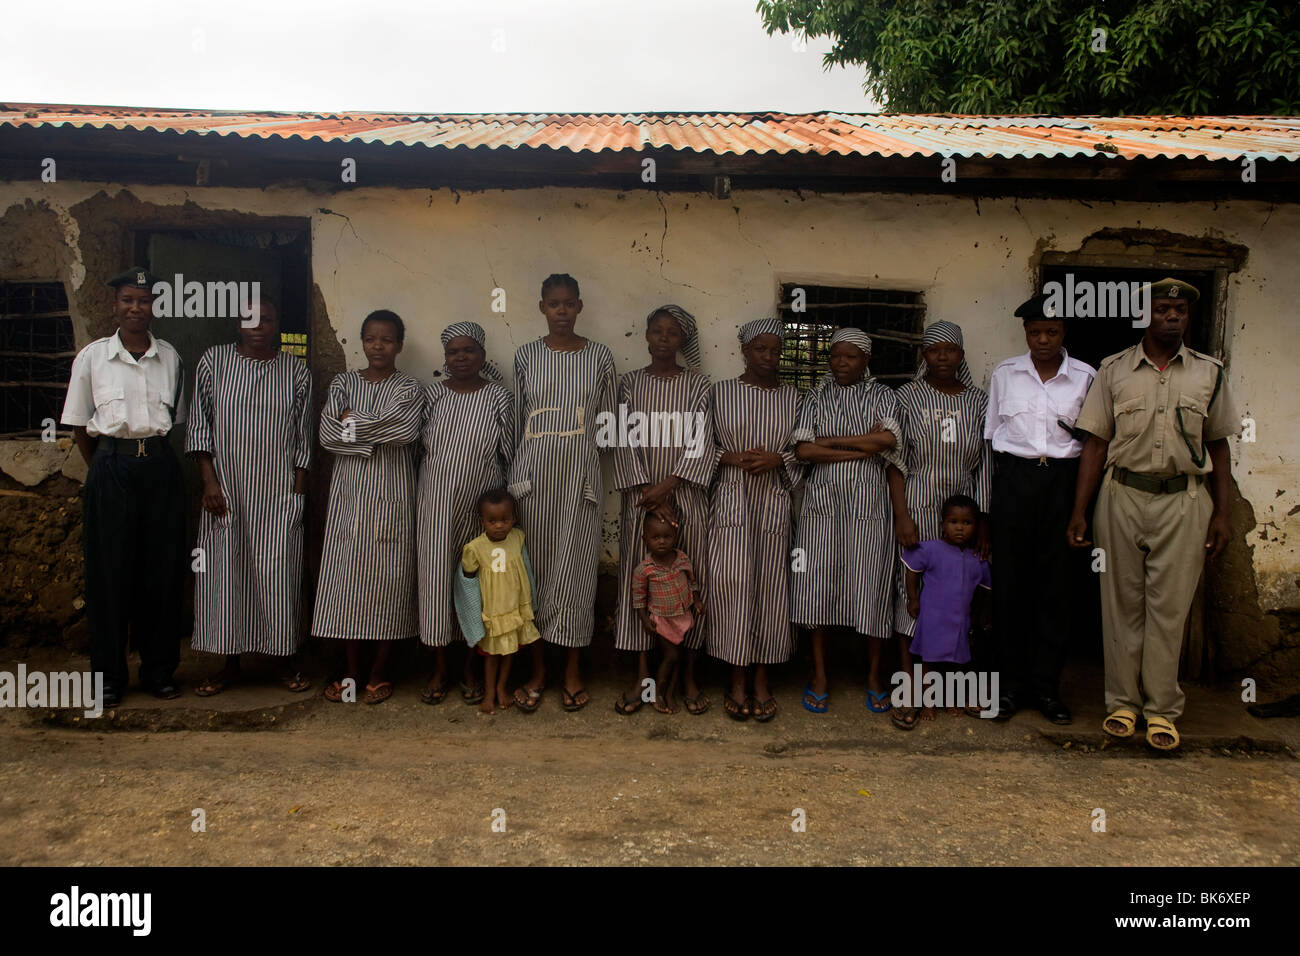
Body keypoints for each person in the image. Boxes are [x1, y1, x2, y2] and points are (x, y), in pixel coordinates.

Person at [1067, 278, 1238, 752]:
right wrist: (1080, 511)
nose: (1172, 316)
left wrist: (1223, 515)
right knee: (1120, 605)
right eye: (1163, 308)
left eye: (1180, 310)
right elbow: (1095, 443)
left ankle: (1162, 711)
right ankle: (1122, 704)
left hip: (1184, 500)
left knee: (1170, 609)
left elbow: (1219, 446)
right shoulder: (1114, 370)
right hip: (1121, 496)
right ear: (1145, 315)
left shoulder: (1209, 373)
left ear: (1189, 317)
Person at [61, 266, 187, 707]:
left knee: (162, 573)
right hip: (111, 465)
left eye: (145, 300)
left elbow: (176, 423)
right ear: (114, 305)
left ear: (156, 306)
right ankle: (109, 677)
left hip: (158, 466)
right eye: (128, 300)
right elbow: (79, 426)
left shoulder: (170, 357)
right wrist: (104, 469)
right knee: (109, 575)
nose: (136, 308)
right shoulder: (93, 358)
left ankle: (158, 671)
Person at [187, 296, 314, 695]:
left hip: (277, 490)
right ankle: (229, 662)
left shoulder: (295, 370)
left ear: (277, 324)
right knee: (226, 571)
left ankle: (283, 660)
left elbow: (303, 438)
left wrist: (297, 492)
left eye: (267, 319)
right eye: (250, 318)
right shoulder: (215, 362)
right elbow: (200, 425)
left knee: (280, 573)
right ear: (238, 323)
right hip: (226, 490)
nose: (258, 325)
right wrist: (209, 483)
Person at [984, 294, 1096, 724]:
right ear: (1025, 333)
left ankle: (1048, 689)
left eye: (1052, 331)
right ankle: (1010, 687)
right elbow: (993, 435)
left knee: (1057, 587)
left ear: (1064, 332)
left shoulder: (1086, 376)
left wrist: (1080, 507)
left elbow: (1092, 443)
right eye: (1035, 332)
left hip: (1064, 484)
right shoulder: (1006, 374)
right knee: (1011, 585)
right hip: (1015, 480)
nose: (1043, 339)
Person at [507, 274, 617, 713]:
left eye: (569, 304)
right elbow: (518, 420)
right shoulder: (526, 356)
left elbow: (607, 425)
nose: (561, 311)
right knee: (532, 572)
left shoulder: (600, 357)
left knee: (576, 573)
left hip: (580, 481)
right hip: (534, 480)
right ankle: (537, 671)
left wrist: (580, 452)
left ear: (579, 306)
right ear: (541, 307)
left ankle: (572, 670)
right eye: (554, 304)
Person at [791, 328, 904, 714]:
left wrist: (833, 442)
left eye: (850, 356)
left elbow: (889, 442)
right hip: (822, 506)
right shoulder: (815, 396)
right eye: (835, 356)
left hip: (870, 506)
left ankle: (874, 676)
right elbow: (804, 450)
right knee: (816, 584)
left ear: (866, 360)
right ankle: (820, 674)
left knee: (870, 584)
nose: (841, 363)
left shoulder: (883, 396)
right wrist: (861, 446)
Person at [314, 310, 423, 706]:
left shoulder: (409, 388)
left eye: (388, 340)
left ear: (399, 345)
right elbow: (327, 432)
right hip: (349, 498)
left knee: (387, 584)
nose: (379, 347)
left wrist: (354, 421)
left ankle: (379, 670)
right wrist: (376, 426)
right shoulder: (343, 382)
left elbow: (406, 429)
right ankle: (349, 671)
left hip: (393, 495)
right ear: (360, 341)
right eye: (371, 339)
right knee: (346, 584)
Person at [886, 321, 991, 730]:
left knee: (956, 603)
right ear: (923, 357)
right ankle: (910, 691)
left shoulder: (979, 401)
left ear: (962, 357)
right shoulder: (907, 396)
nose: (943, 357)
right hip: (919, 504)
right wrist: (903, 514)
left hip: (963, 511)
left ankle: (950, 692)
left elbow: (985, 464)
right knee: (910, 596)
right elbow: (896, 461)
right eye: (934, 350)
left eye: (951, 351)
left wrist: (982, 522)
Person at [612, 305, 714, 716]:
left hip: (686, 496)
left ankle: (688, 675)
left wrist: (669, 487)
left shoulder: (699, 385)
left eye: (673, 333)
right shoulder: (630, 384)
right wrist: (649, 493)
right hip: (641, 499)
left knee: (689, 584)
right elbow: (623, 438)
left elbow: (703, 438)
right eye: (657, 331)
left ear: (682, 341)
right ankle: (644, 678)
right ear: (647, 336)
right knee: (639, 588)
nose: (664, 338)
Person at [706, 318, 803, 723]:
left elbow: (805, 446)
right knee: (732, 583)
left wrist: (779, 458)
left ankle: (762, 677)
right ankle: (736, 676)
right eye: (760, 349)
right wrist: (729, 457)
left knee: (770, 584)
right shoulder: (720, 393)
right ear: (743, 350)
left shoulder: (794, 398)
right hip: (732, 496)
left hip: (774, 499)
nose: (769, 357)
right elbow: (697, 443)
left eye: (776, 350)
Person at [415, 321, 516, 706]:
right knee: (438, 582)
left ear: (483, 356)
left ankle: (473, 668)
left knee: (480, 589)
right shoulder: (431, 397)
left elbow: (508, 455)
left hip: (482, 511)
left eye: (469, 350)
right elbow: (417, 450)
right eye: (454, 352)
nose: (461, 357)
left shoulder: (498, 398)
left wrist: (504, 509)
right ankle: (441, 668)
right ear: (445, 358)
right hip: (437, 506)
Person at [898, 495, 992, 725]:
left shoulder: (977, 559)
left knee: (955, 664)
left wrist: (984, 615)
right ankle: (928, 702)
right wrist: (913, 599)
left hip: (960, 621)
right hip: (932, 619)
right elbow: (912, 572)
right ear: (942, 525)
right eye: (953, 522)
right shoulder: (930, 549)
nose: (960, 528)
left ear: (976, 527)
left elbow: (987, 590)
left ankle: (951, 699)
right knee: (928, 662)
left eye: (967, 523)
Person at [456, 488, 541, 715]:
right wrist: (474, 613)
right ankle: (490, 692)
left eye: (505, 519)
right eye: (492, 521)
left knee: (509, 651)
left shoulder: (517, 538)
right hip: (492, 613)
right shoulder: (474, 548)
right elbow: (467, 584)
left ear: (513, 518)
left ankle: (502, 687)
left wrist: (529, 602)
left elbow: (527, 572)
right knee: (491, 655)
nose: (499, 526)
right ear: (482, 521)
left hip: (513, 610)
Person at [630, 512, 705, 715]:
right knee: (670, 656)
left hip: (681, 617)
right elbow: (638, 600)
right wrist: (645, 621)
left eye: (667, 537)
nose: (662, 542)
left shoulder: (681, 558)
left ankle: (670, 693)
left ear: (675, 536)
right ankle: (658, 691)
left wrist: (696, 600)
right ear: (645, 540)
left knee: (677, 656)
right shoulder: (644, 569)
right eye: (656, 538)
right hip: (661, 620)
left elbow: (692, 581)